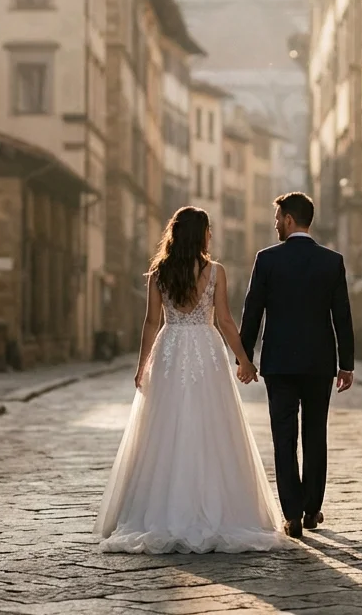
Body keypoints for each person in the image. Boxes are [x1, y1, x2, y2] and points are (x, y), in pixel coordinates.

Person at [95, 206, 287, 553]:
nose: (211, 235)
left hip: (170, 350)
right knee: (212, 425)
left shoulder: (159, 273)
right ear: (202, 235)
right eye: (208, 230)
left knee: (165, 427)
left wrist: (143, 366)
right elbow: (226, 321)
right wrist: (244, 360)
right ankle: (217, 508)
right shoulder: (215, 272)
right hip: (206, 349)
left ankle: (162, 510)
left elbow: (151, 323)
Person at [239, 191, 354, 539]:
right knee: (316, 434)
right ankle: (311, 508)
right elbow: (343, 318)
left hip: (279, 364)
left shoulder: (267, 260)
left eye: (277, 218)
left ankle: (290, 513)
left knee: (283, 437)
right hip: (320, 364)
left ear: (289, 219)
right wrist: (346, 364)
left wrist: (245, 357)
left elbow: (252, 312)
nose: (275, 224)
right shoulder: (331, 261)